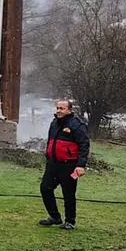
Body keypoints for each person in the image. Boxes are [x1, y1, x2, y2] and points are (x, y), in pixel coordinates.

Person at [40, 98, 89, 229]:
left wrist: (81, 165)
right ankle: (55, 217)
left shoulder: (77, 125)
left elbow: (84, 145)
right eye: (57, 108)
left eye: (62, 108)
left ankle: (70, 221)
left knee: (68, 194)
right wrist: (48, 155)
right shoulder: (54, 123)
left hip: (69, 165)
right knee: (45, 188)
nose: (59, 111)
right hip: (53, 164)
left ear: (69, 110)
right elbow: (51, 141)